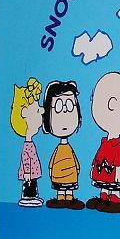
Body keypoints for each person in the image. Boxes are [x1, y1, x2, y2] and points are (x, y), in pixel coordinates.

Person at [86, 72, 120, 214]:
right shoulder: (106, 142)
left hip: (112, 171)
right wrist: (94, 167)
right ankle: (103, 197)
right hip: (102, 171)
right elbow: (99, 156)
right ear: (112, 105)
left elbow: (119, 160)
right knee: (104, 185)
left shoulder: (116, 144)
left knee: (114, 186)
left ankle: (115, 199)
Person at [43, 80, 85, 210]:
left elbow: (74, 160)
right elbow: (52, 162)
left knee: (69, 188)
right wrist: (51, 170)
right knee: (60, 189)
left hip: (71, 174)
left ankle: (69, 198)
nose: (65, 113)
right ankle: (61, 198)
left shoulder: (68, 149)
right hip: (58, 175)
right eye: (58, 107)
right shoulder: (59, 149)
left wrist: (77, 168)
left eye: (70, 106)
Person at [10, 77, 45, 207]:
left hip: (32, 173)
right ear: (24, 113)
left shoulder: (30, 144)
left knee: (33, 185)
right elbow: (26, 159)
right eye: (37, 110)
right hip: (29, 174)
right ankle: (28, 198)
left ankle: (32, 197)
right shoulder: (27, 146)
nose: (42, 111)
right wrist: (27, 173)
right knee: (29, 186)